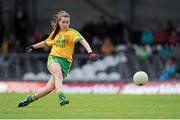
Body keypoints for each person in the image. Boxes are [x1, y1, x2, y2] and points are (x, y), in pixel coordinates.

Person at [18, 10, 98, 107]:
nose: (65, 24)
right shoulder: (55, 33)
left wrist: (90, 52)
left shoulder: (73, 33)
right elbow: (45, 42)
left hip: (66, 63)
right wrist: (33, 46)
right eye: (63, 22)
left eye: (67, 22)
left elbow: (83, 41)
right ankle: (61, 96)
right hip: (54, 58)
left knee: (49, 88)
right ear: (59, 22)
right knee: (58, 74)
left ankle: (30, 99)